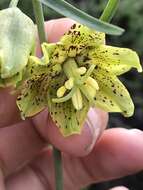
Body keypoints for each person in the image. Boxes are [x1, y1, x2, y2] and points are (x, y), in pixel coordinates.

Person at [0, 18, 143, 190]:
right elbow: (28, 102)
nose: (77, 82)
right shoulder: (42, 69)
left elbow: (123, 64)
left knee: (76, 129)